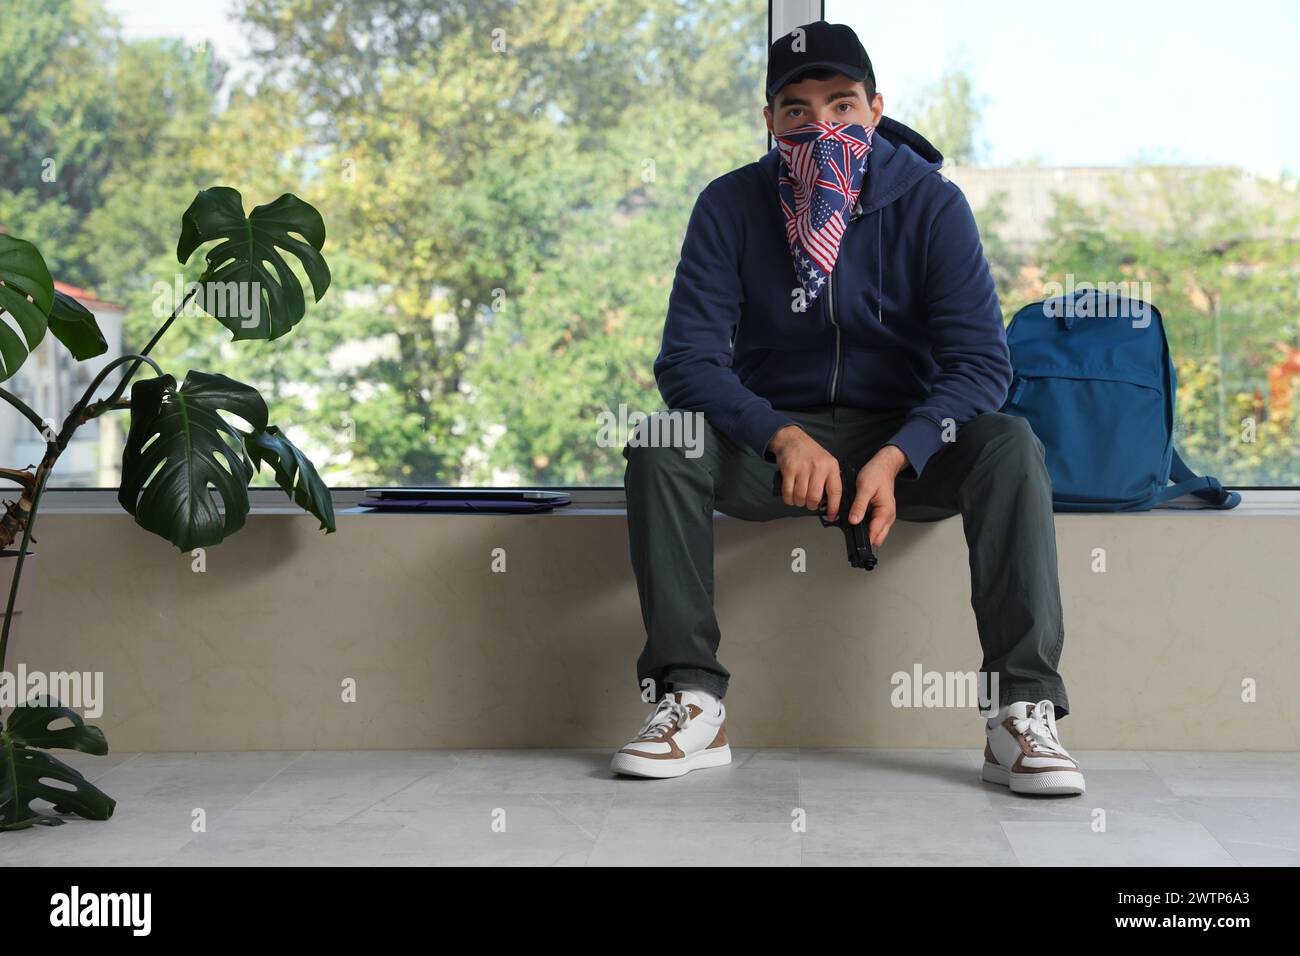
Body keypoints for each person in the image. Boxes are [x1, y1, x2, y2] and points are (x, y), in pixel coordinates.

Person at [613, 21, 1084, 797]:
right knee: (660, 443)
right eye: (796, 110)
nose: (820, 126)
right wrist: (780, 435)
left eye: (841, 105)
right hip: (772, 448)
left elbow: (982, 364)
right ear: (770, 122)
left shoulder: (932, 204)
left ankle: (1021, 713)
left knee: (1010, 443)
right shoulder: (729, 205)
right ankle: (691, 700)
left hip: (901, 445)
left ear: (875, 107)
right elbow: (686, 362)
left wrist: (903, 453)